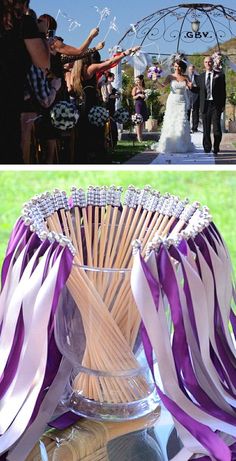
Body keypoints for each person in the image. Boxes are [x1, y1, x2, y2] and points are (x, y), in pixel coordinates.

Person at [0, 0, 50, 163]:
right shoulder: (23, 22)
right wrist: (41, 33)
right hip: (8, 98)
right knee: (9, 151)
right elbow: (43, 61)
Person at [71, 46, 140, 163]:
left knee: (85, 130)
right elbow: (109, 63)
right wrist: (126, 52)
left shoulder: (78, 69)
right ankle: (96, 155)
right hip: (91, 102)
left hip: (85, 101)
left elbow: (109, 62)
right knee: (95, 129)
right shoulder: (90, 68)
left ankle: (86, 155)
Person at [152, 59, 194, 154]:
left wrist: (190, 85)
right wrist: (156, 81)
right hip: (172, 100)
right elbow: (162, 86)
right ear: (173, 67)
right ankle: (169, 144)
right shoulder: (170, 77)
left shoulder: (186, 77)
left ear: (182, 67)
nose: (177, 68)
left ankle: (181, 144)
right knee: (171, 121)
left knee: (181, 120)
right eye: (175, 66)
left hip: (182, 100)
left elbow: (190, 87)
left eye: (179, 66)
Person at [193, 56, 226, 154]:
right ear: (204, 64)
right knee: (206, 129)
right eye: (206, 62)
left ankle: (216, 147)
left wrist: (223, 105)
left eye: (210, 62)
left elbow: (223, 92)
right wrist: (190, 87)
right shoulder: (200, 77)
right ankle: (207, 148)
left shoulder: (220, 75)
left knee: (217, 130)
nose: (208, 63)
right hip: (205, 105)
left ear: (213, 63)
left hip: (216, 105)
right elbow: (198, 91)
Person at [132, 75, 148, 142]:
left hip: (143, 104)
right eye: (136, 80)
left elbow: (146, 96)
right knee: (138, 120)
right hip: (138, 104)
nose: (137, 81)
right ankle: (138, 136)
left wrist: (147, 96)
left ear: (141, 80)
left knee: (142, 121)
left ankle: (141, 135)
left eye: (138, 80)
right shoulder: (135, 88)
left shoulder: (144, 87)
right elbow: (133, 97)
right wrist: (138, 95)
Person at [187, 64, 200, 133]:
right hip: (187, 95)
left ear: (194, 70)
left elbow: (200, 86)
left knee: (195, 112)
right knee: (187, 112)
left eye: (192, 69)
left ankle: (195, 128)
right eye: (190, 69)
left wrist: (193, 86)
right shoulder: (185, 77)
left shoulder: (197, 77)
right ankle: (187, 128)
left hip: (195, 95)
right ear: (188, 70)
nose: (191, 70)